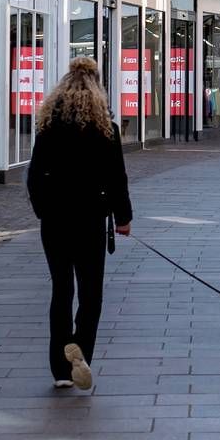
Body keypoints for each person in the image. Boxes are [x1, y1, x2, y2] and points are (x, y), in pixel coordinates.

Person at [27, 58, 133, 392]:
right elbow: (117, 178)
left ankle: (60, 369)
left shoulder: (48, 126)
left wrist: (44, 210)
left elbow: (33, 177)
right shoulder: (106, 128)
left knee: (61, 291)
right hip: (89, 220)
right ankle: (80, 353)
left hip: (55, 222)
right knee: (91, 294)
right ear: (98, 86)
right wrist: (123, 218)